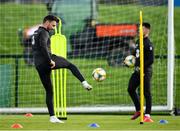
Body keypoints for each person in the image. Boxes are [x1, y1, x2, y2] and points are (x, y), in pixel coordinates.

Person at [32, 15, 92, 123]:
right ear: (47, 22)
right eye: (53, 25)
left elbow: (37, 47)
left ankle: (52, 117)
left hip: (38, 64)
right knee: (71, 65)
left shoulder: (36, 32)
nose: (54, 28)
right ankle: (84, 83)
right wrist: (50, 60)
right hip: (46, 60)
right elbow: (43, 46)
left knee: (49, 91)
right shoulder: (44, 32)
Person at [127, 22, 154, 122]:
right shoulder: (139, 41)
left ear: (147, 30)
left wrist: (142, 67)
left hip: (146, 71)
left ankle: (147, 115)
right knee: (130, 88)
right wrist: (128, 61)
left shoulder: (148, 43)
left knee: (146, 92)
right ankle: (139, 110)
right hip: (137, 71)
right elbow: (135, 55)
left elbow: (151, 60)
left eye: (142, 29)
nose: (139, 31)